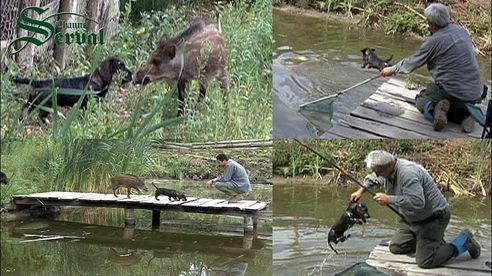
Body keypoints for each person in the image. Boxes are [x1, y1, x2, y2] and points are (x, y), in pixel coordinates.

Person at [350, 150, 481, 268]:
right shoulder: (386, 169)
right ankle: (431, 242)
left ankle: (464, 240)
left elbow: (418, 202)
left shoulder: (407, 174)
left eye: (379, 171)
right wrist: (360, 191)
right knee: (396, 247)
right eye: (376, 171)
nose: (377, 174)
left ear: (389, 165)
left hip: (433, 218)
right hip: (412, 219)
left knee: (425, 261)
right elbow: (373, 178)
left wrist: (389, 199)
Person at [380, 3, 485, 133]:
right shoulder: (462, 31)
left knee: (421, 98)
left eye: (428, 22)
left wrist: (390, 70)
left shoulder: (433, 42)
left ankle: (435, 110)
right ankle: (466, 116)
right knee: (456, 101)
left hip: (453, 93)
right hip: (476, 92)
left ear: (433, 24)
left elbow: (411, 63)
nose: (426, 24)